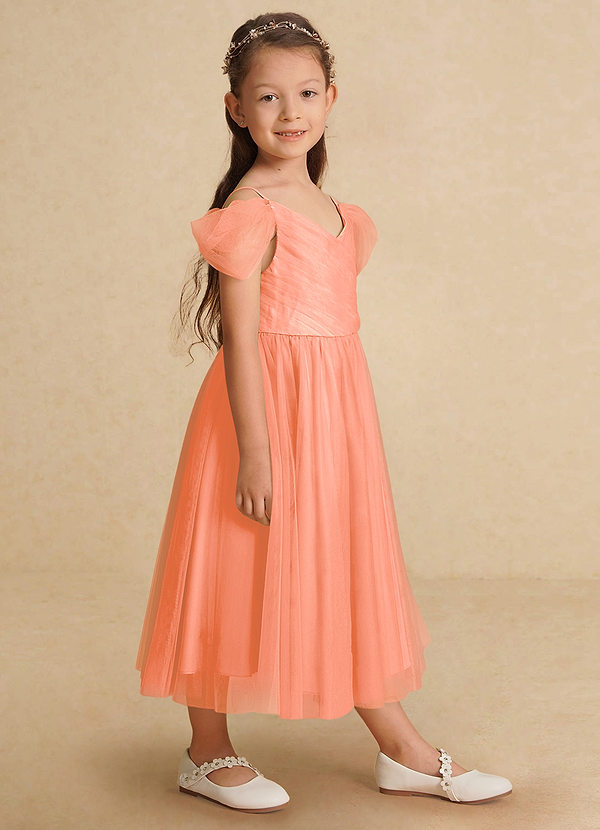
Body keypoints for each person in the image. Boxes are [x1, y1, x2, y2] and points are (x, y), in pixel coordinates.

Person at [135, 11, 513, 814]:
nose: (289, 112)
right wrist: (256, 451)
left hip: (335, 416)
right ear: (237, 108)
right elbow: (241, 341)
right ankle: (206, 749)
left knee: (340, 562)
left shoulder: (341, 214)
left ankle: (401, 750)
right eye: (268, 96)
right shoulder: (251, 211)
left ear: (332, 99)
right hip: (262, 414)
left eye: (306, 93)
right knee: (232, 563)